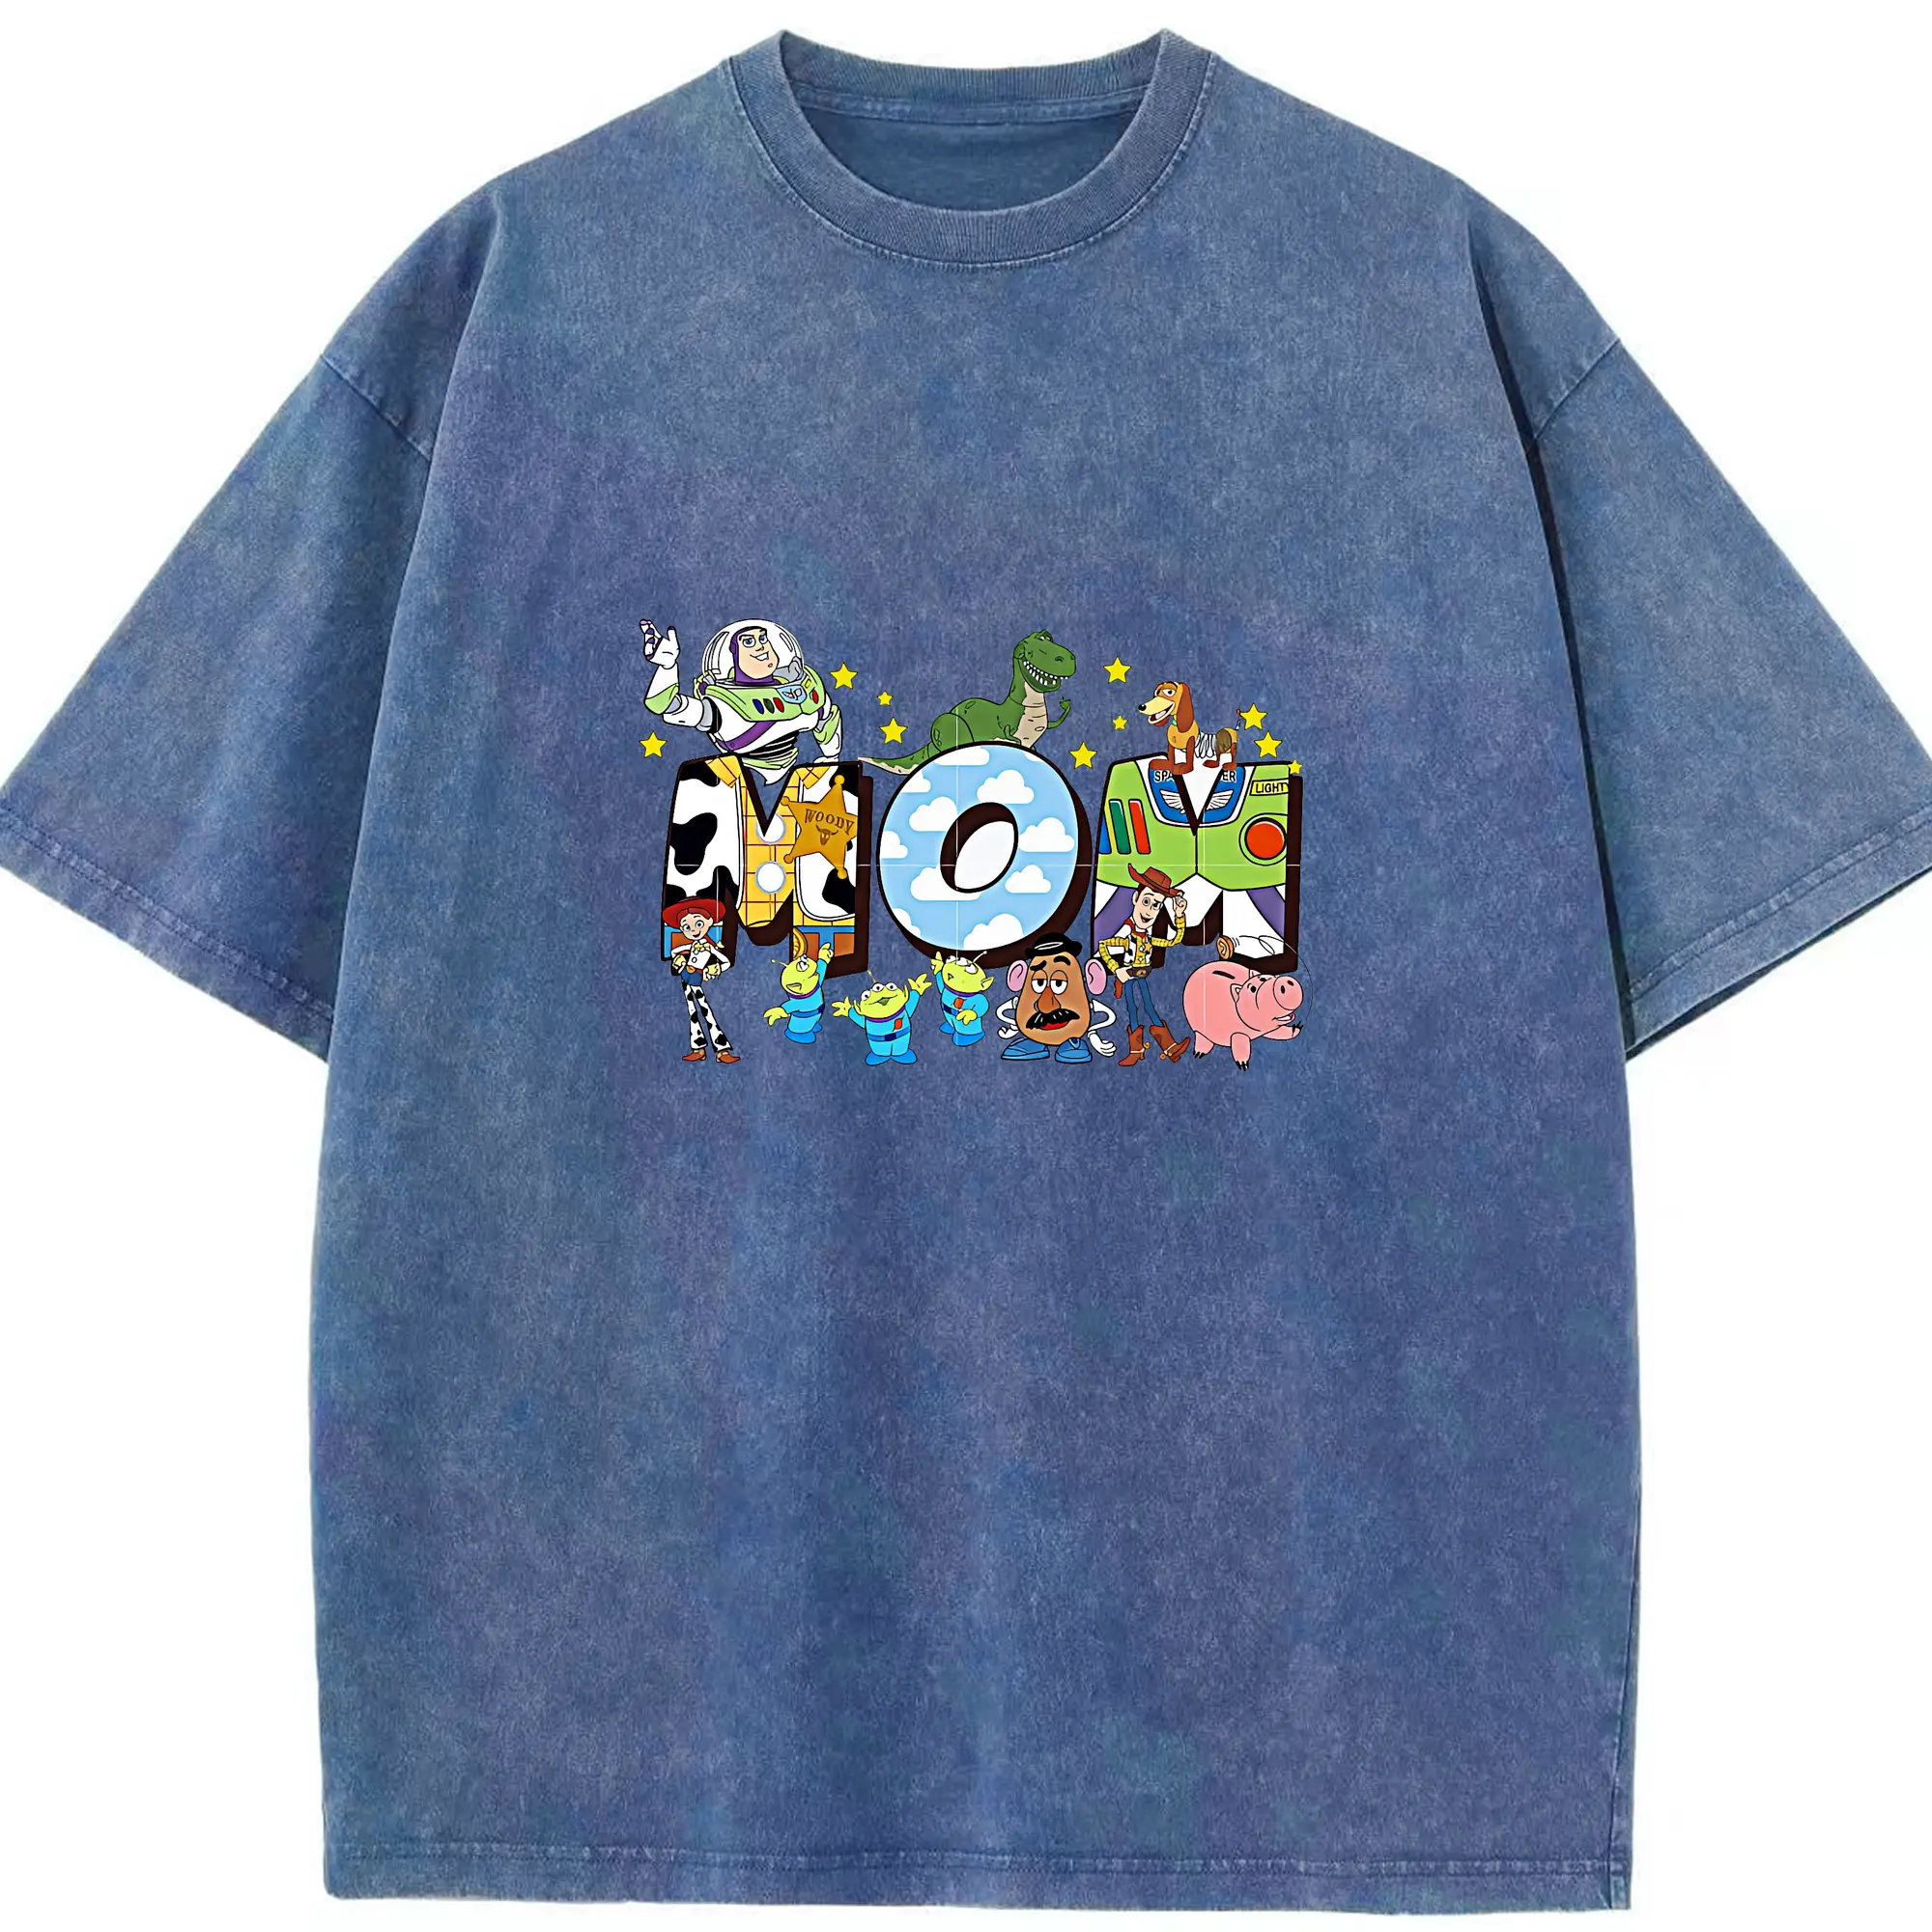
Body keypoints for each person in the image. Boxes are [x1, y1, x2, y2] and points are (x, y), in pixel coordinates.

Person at [1096, 864, 1191, 1065]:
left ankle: (1169, 1047)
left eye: (1156, 905)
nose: (1149, 910)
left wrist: (1179, 915)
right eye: (1146, 901)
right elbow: (1104, 946)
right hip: (1129, 977)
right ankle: (1136, 1051)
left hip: (1142, 976)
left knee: (1149, 1007)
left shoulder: (1147, 935)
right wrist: (1117, 970)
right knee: (1133, 1011)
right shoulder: (1127, 931)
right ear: (1135, 898)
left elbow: (1173, 940)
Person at [664, 896, 739, 1063]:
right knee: (692, 1011)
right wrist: (679, 959)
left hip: (697, 977)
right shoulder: (692, 945)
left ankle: (721, 1049)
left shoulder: (709, 946)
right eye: (687, 927)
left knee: (706, 1010)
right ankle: (698, 1048)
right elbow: (675, 952)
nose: (693, 930)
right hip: (686, 975)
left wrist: (716, 968)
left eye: (698, 923)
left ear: (709, 922)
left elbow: (726, 962)